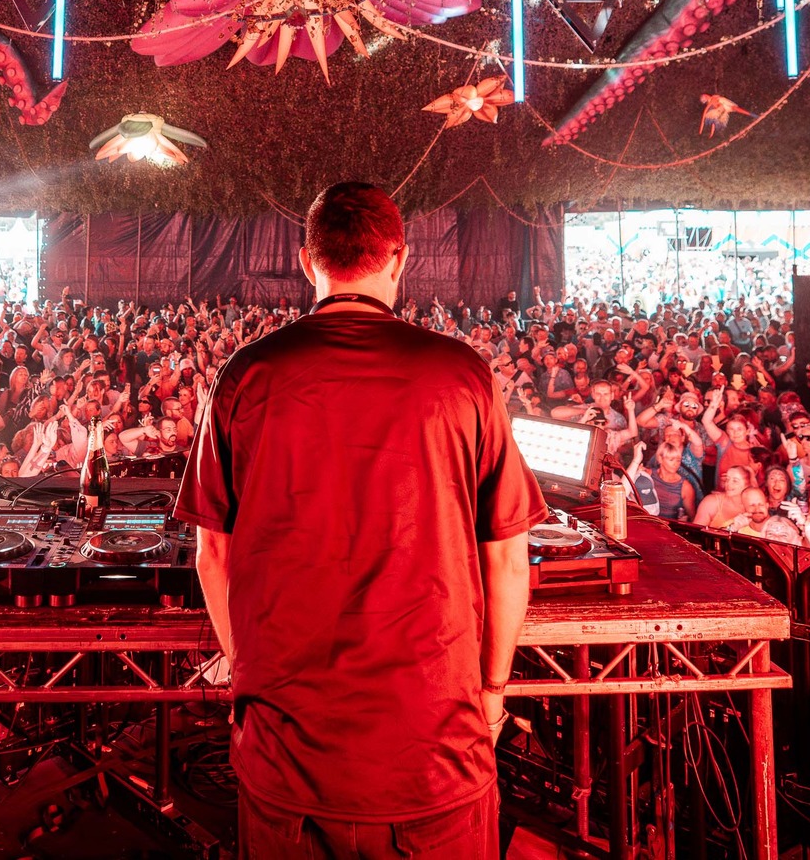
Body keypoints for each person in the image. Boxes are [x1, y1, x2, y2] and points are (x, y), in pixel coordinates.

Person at [176, 183, 545, 857]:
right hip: (434, 746)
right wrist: (492, 694)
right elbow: (509, 559)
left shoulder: (247, 375)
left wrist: (244, 673)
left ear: (305, 261)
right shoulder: (462, 376)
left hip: (286, 748)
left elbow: (212, 557)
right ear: (399, 260)